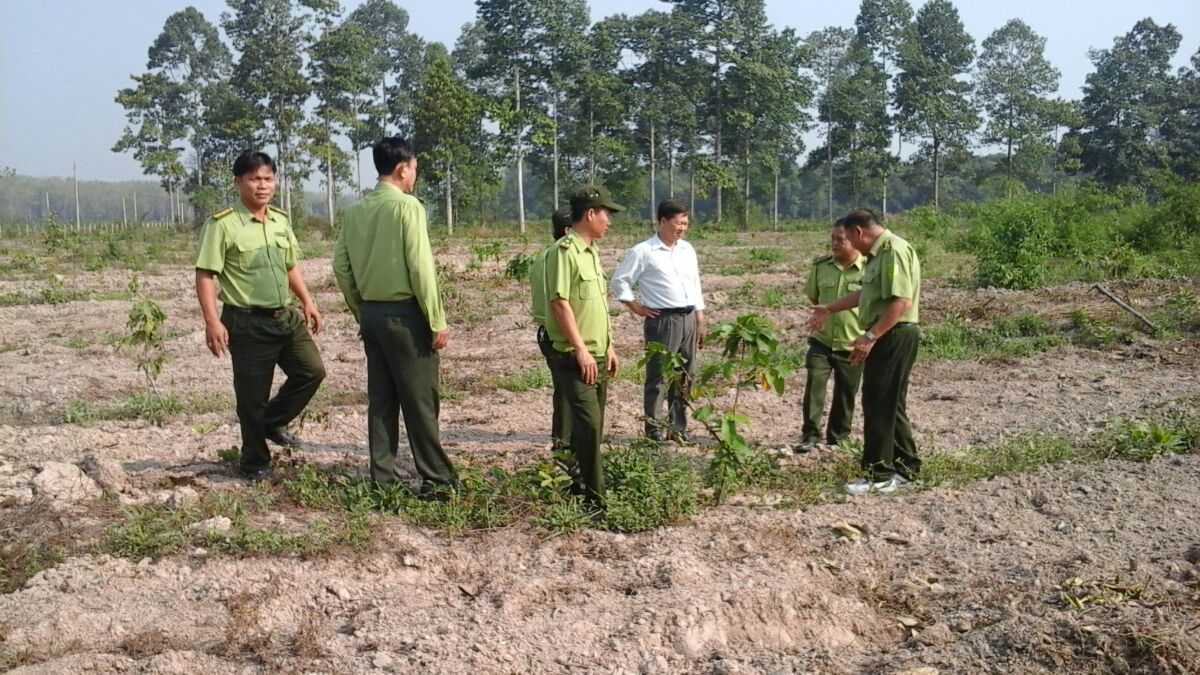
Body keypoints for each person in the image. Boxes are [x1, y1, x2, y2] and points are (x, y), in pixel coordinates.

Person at [332, 137, 458, 495]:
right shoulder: (407, 207)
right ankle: (438, 480)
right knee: (420, 401)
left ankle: (382, 479)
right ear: (403, 168)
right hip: (406, 317)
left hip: (372, 314)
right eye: (415, 168)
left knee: (382, 400)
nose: (415, 175)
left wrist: (362, 309)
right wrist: (436, 318)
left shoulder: (355, 211)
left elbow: (340, 266)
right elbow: (420, 267)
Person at [195, 150, 326, 481]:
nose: (262, 185)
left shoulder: (280, 220)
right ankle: (254, 460)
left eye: (268, 178)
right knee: (252, 397)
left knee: (312, 371)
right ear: (238, 182)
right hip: (247, 321)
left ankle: (272, 422)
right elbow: (206, 274)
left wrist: (307, 301)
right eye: (255, 178)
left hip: (285, 316)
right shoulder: (222, 225)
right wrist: (212, 321)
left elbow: (290, 265)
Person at [806, 209, 922, 494]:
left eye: (848, 239)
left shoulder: (893, 251)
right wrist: (830, 307)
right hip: (888, 332)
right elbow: (867, 294)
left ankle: (878, 475)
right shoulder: (878, 255)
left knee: (878, 403)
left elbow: (901, 302)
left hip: (894, 334)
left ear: (859, 232)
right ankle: (907, 469)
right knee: (891, 404)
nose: (850, 246)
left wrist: (870, 336)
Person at [545, 185, 623, 509]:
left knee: (592, 426)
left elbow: (599, 305)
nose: (609, 221)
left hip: (599, 354)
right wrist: (580, 349)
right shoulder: (563, 252)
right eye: (606, 213)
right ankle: (596, 499)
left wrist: (611, 346)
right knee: (589, 425)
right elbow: (559, 303)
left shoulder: (592, 253)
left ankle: (576, 486)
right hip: (575, 357)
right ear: (590, 214)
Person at [610, 198, 705, 443]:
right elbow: (620, 280)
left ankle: (678, 427)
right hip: (663, 321)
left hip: (688, 319)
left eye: (685, 223)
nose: (682, 228)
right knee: (659, 376)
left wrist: (700, 317)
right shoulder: (644, 251)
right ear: (662, 221)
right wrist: (635, 306)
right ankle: (653, 430)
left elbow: (695, 285)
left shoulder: (687, 250)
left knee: (685, 374)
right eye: (677, 223)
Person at [796, 219, 866, 453]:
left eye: (841, 239)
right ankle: (810, 434)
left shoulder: (869, 269)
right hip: (822, 341)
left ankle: (838, 437)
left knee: (846, 392)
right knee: (815, 384)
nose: (835, 244)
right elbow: (815, 299)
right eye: (832, 239)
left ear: (855, 239)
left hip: (852, 342)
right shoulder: (821, 267)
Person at [529, 208, 573, 453]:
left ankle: (565, 442)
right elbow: (559, 304)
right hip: (560, 333)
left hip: (547, 331)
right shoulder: (559, 258)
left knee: (565, 390)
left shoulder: (543, 256)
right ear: (567, 231)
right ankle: (564, 445)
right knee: (567, 392)